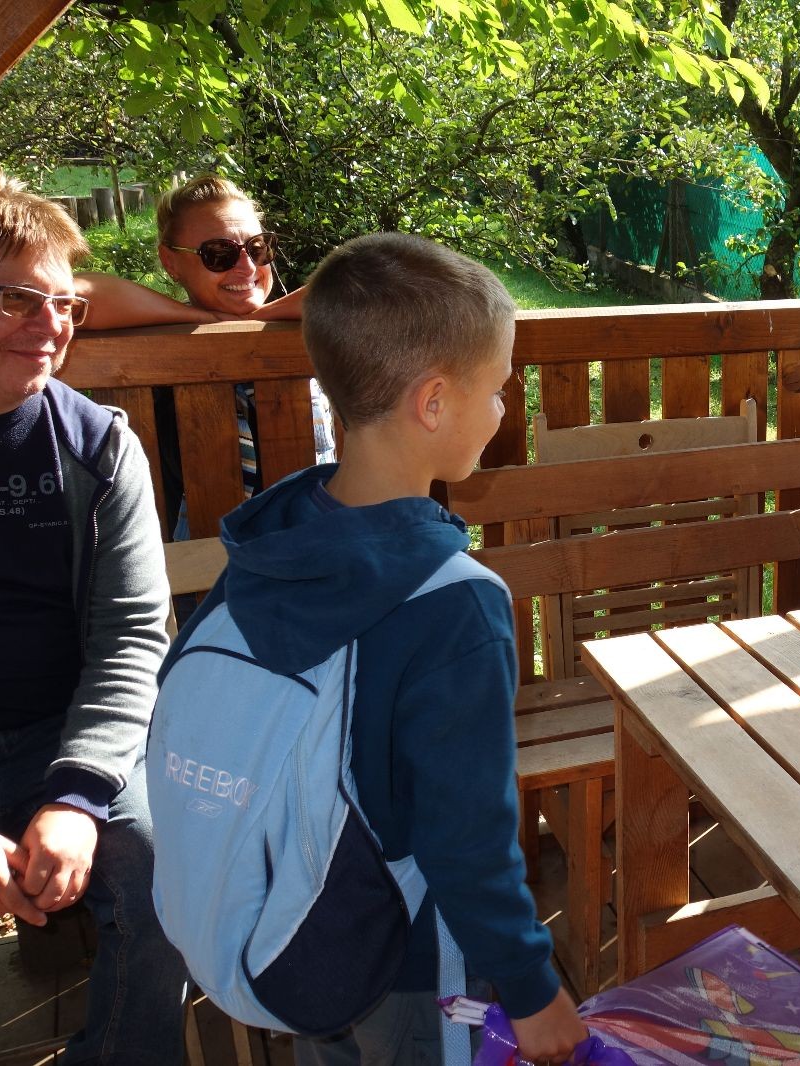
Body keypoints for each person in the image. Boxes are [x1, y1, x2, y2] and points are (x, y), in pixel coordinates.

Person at [159, 232, 586, 1064]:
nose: (503, 410)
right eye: (498, 388)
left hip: (302, 935)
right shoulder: (456, 602)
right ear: (434, 403)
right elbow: (468, 837)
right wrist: (533, 990)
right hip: (413, 960)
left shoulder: (273, 543)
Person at [0, 163, 186, 1063]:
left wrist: (78, 794)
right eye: (18, 301)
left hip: (60, 735)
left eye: (65, 304)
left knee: (166, 872)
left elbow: (132, 636)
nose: (51, 326)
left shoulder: (98, 446)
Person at [76, 175, 333, 529]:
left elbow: (377, 278)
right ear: (171, 262)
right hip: (207, 556)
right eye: (219, 254)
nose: (246, 267)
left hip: (319, 541)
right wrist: (201, 319)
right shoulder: (164, 352)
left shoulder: (311, 325)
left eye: (257, 248)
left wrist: (261, 317)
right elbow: (70, 294)